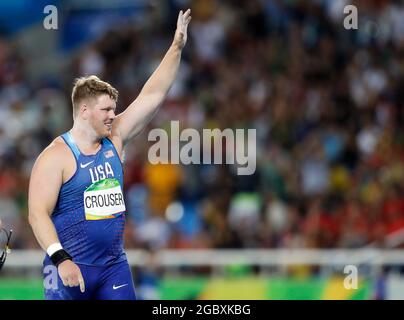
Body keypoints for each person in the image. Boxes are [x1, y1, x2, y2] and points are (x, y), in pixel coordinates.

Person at [28, 9, 191, 300]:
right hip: (68, 268)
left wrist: (176, 47)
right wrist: (60, 258)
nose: (112, 116)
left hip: (113, 267)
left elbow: (152, 95)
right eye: (106, 110)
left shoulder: (114, 138)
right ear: (84, 111)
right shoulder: (56, 157)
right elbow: (37, 214)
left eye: (113, 110)